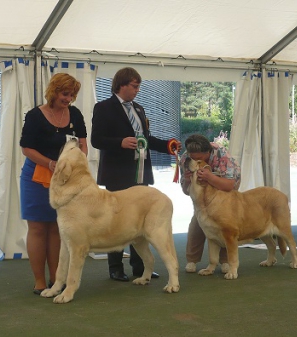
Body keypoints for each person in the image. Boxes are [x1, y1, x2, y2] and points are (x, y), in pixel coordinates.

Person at [91, 67, 180, 282]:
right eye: (134, 86)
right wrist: (119, 143)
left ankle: (141, 268)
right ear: (121, 84)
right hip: (117, 175)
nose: (138, 90)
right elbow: (96, 140)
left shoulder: (139, 109)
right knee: (115, 222)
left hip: (140, 174)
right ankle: (115, 268)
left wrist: (167, 145)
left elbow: (145, 140)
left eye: (138, 86)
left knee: (140, 223)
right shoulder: (103, 108)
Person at [19, 73, 88, 295]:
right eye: (64, 93)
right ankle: (39, 281)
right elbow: (26, 149)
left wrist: (77, 162)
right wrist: (50, 163)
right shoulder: (35, 116)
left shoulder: (75, 115)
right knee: (38, 228)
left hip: (66, 179)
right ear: (54, 91)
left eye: (72, 95)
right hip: (37, 177)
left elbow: (83, 144)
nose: (68, 99)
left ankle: (56, 279)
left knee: (59, 229)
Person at [179, 134, 241, 273]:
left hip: (225, 190)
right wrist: (188, 180)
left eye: (199, 159)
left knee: (225, 223)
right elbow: (185, 190)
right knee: (198, 221)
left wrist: (209, 177)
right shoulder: (186, 159)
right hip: (202, 196)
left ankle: (225, 261)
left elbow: (229, 185)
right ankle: (192, 259)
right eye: (192, 158)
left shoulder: (221, 154)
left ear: (208, 152)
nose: (195, 161)